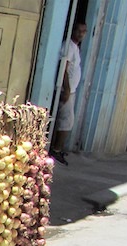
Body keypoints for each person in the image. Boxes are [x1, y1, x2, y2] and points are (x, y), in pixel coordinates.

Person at [50, 22, 88, 165]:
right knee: (66, 121)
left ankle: (57, 148)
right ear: (73, 30)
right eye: (78, 30)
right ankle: (56, 150)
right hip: (66, 90)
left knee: (66, 120)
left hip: (70, 90)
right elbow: (63, 68)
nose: (81, 33)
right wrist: (66, 89)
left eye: (84, 31)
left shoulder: (75, 48)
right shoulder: (68, 46)